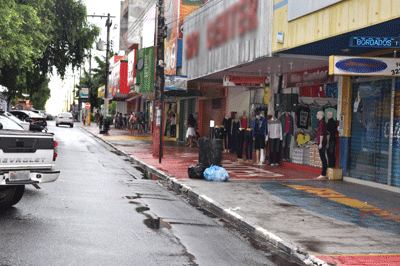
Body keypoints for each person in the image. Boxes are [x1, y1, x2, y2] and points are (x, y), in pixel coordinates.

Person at [316, 111, 328, 179]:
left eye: (317, 114)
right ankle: (323, 173)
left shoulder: (322, 123)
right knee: (323, 157)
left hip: (322, 141)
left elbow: (322, 133)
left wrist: (320, 143)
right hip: (323, 141)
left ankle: (323, 173)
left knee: (323, 157)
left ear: (321, 115)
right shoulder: (322, 122)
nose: (316, 115)